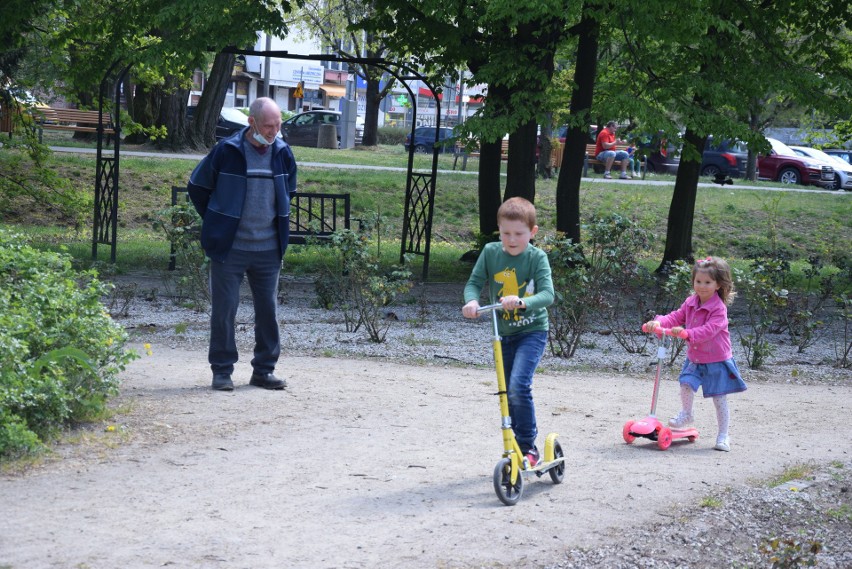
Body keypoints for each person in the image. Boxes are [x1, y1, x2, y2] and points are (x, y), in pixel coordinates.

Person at [187, 97, 297, 392]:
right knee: (224, 311)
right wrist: (217, 221)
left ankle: (263, 371)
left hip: (269, 249)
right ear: (252, 122)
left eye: (278, 125)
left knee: (268, 312)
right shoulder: (227, 150)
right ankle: (221, 371)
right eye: (268, 126)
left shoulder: (283, 153)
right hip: (230, 249)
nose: (274, 131)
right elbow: (197, 187)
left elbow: (289, 191)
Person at [462, 197, 555, 466]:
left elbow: (548, 294)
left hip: (532, 332)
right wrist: (472, 301)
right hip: (502, 334)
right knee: (507, 392)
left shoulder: (537, 258)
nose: (511, 240)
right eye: (505, 233)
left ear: (532, 232)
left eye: (519, 234)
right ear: (499, 230)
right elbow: (474, 283)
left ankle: (528, 446)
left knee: (518, 386)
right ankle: (514, 442)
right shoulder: (491, 252)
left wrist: (523, 301)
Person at [644, 257, 747, 452]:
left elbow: (709, 330)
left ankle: (723, 435)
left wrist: (687, 333)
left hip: (717, 360)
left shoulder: (719, 309)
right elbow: (676, 316)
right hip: (695, 358)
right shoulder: (691, 302)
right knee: (685, 384)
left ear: (718, 284)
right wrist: (659, 323)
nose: (702, 286)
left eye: (707, 282)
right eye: (698, 282)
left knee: (719, 398)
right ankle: (687, 413)